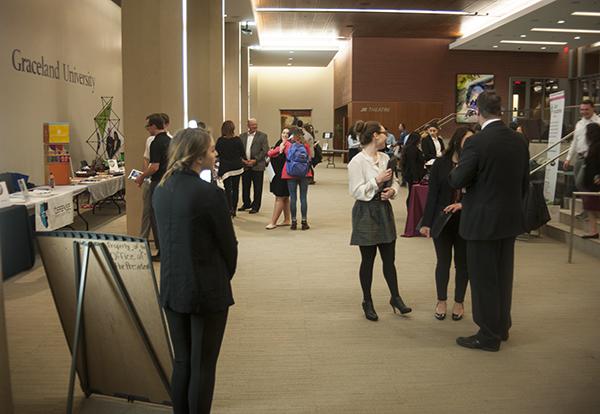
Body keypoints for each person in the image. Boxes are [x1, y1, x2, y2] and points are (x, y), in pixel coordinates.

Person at [153, 127, 237, 414]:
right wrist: (224, 275)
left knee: (182, 361)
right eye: (213, 149)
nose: (216, 154)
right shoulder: (209, 193)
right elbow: (228, 245)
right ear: (198, 155)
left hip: (172, 285)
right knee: (203, 365)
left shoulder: (160, 189)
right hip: (205, 289)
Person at [449, 92, 529, 352]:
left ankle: (488, 334)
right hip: (509, 218)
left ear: (479, 112)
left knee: (483, 279)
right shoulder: (519, 140)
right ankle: (502, 326)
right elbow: (524, 182)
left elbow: (458, 179)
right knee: (503, 276)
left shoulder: (477, 142)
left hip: (482, 220)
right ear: (500, 111)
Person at [348, 121, 412, 321]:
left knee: (389, 259)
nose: (387, 136)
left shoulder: (385, 158)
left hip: (383, 210)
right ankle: (367, 301)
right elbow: (355, 191)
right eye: (385, 133)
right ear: (375, 135)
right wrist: (376, 181)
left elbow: (394, 181)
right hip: (365, 211)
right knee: (368, 260)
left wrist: (392, 190)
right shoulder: (357, 162)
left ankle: (396, 297)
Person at [420, 127, 474, 321]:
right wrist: (426, 223)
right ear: (457, 141)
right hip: (442, 220)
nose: (470, 144)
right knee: (443, 262)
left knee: (463, 264)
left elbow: (479, 193)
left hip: (465, 219)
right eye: (467, 140)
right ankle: (441, 300)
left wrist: (463, 204)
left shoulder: (474, 163)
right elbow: (432, 194)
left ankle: (459, 302)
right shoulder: (441, 163)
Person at [135, 113, 171, 261]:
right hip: (168, 181)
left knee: (154, 216)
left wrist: (142, 176)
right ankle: (166, 249)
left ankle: (161, 251)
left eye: (148, 126)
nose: (147, 129)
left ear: (154, 126)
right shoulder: (170, 141)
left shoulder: (156, 142)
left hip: (157, 182)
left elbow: (154, 166)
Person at [565, 100, 600, 220]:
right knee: (579, 184)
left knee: (583, 183)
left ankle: (589, 210)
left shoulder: (598, 122)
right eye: (582, 110)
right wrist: (568, 158)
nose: (584, 112)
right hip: (580, 157)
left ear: (593, 109)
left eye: (586, 109)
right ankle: (589, 209)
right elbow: (574, 142)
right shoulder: (579, 124)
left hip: (592, 159)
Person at [281, 126, 312, 230]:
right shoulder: (306, 146)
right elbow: (310, 158)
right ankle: (304, 222)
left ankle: (293, 222)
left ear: (293, 136)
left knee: (293, 198)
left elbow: (286, 158)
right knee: (303, 198)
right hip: (304, 174)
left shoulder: (289, 145)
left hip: (291, 173)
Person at [239, 118, 269, 214]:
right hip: (245, 165)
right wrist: (243, 160)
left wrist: (255, 160)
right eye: (252, 125)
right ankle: (246, 203)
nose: (255, 126)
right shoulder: (241, 136)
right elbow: (239, 150)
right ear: (248, 125)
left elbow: (265, 150)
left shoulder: (263, 136)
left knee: (257, 187)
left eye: (256, 124)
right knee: (245, 185)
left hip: (258, 165)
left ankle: (256, 206)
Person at [216, 120, 245, 216]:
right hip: (236, 167)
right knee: (236, 188)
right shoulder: (237, 140)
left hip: (225, 168)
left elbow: (217, 154)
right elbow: (242, 153)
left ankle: (229, 208)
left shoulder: (220, 141)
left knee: (228, 189)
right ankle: (234, 209)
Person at [265, 128, 292, 229]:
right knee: (285, 198)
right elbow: (270, 153)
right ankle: (287, 219)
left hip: (283, 175)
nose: (284, 135)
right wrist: (277, 150)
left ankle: (273, 222)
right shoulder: (281, 143)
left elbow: (278, 158)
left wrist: (280, 151)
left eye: (287, 133)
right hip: (281, 175)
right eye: (283, 132)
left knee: (279, 198)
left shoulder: (287, 145)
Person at [581, 123, 600, 238]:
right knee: (590, 207)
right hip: (591, 179)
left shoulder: (597, 146)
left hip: (596, 179)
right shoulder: (593, 145)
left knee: (593, 206)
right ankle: (593, 231)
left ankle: (593, 230)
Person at [400, 132, 426, 208]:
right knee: (412, 194)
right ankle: (410, 210)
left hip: (411, 174)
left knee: (411, 193)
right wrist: (415, 179)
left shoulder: (410, 148)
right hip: (413, 175)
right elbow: (412, 164)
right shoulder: (412, 149)